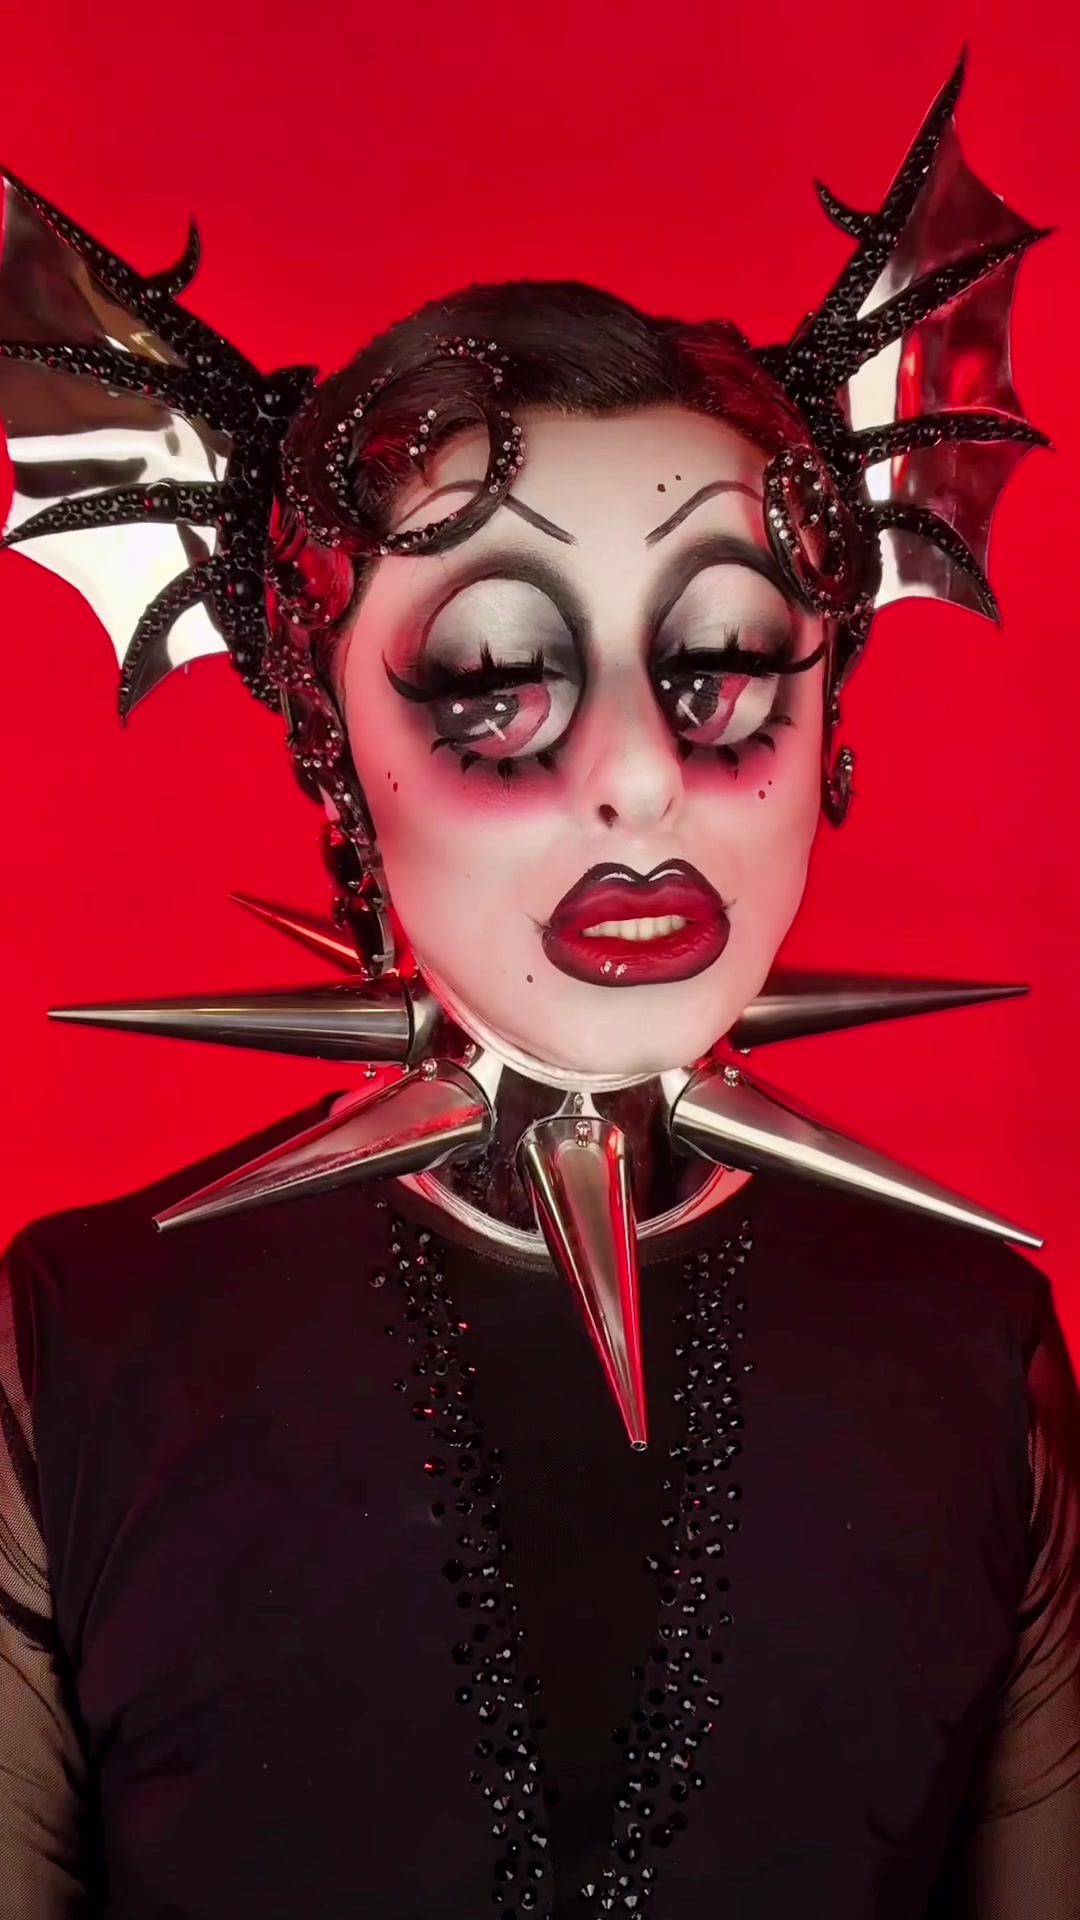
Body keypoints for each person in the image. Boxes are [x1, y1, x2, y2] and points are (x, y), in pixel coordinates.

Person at [0, 52, 1077, 1920]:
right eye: (498, 679)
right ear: (334, 745)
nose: (641, 774)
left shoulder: (982, 1363)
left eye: (724, 659)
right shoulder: (73, 1350)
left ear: (832, 711)